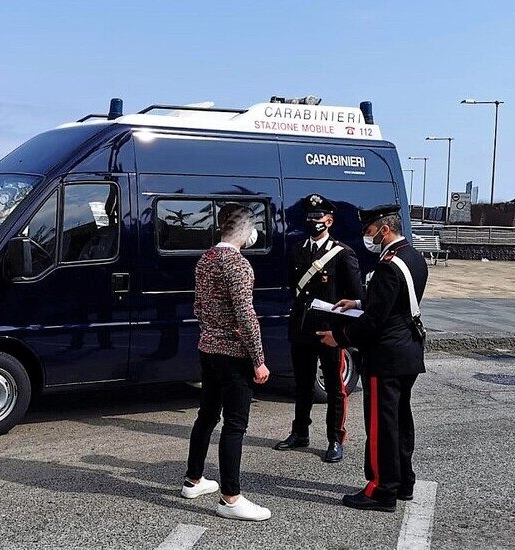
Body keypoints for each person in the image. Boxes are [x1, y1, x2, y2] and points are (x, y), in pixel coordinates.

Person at [317, 204, 429, 512]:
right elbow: (395, 301)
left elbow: (374, 320)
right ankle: (404, 481)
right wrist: (357, 300)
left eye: (369, 231)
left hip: (387, 355)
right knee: (400, 420)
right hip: (408, 350)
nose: (368, 237)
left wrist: (338, 337)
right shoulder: (413, 257)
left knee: (381, 425)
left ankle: (382, 489)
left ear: (384, 229)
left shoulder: (389, 265)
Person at [182, 203, 272, 522]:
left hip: (208, 348)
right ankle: (231, 498)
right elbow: (246, 316)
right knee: (235, 424)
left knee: (206, 415)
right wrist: (259, 360)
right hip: (233, 355)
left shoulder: (205, 260)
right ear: (246, 230)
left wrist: (215, 327)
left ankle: (193, 480)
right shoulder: (238, 264)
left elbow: (197, 306)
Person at [274, 194, 363, 463]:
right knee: (302, 385)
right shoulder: (298, 249)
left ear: (330, 220)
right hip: (302, 328)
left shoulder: (343, 254)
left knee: (335, 387)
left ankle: (335, 438)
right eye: (310, 217)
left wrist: (342, 334)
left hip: (329, 331)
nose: (314, 221)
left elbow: (355, 297)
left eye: (319, 217)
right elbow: (294, 287)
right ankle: (300, 432)